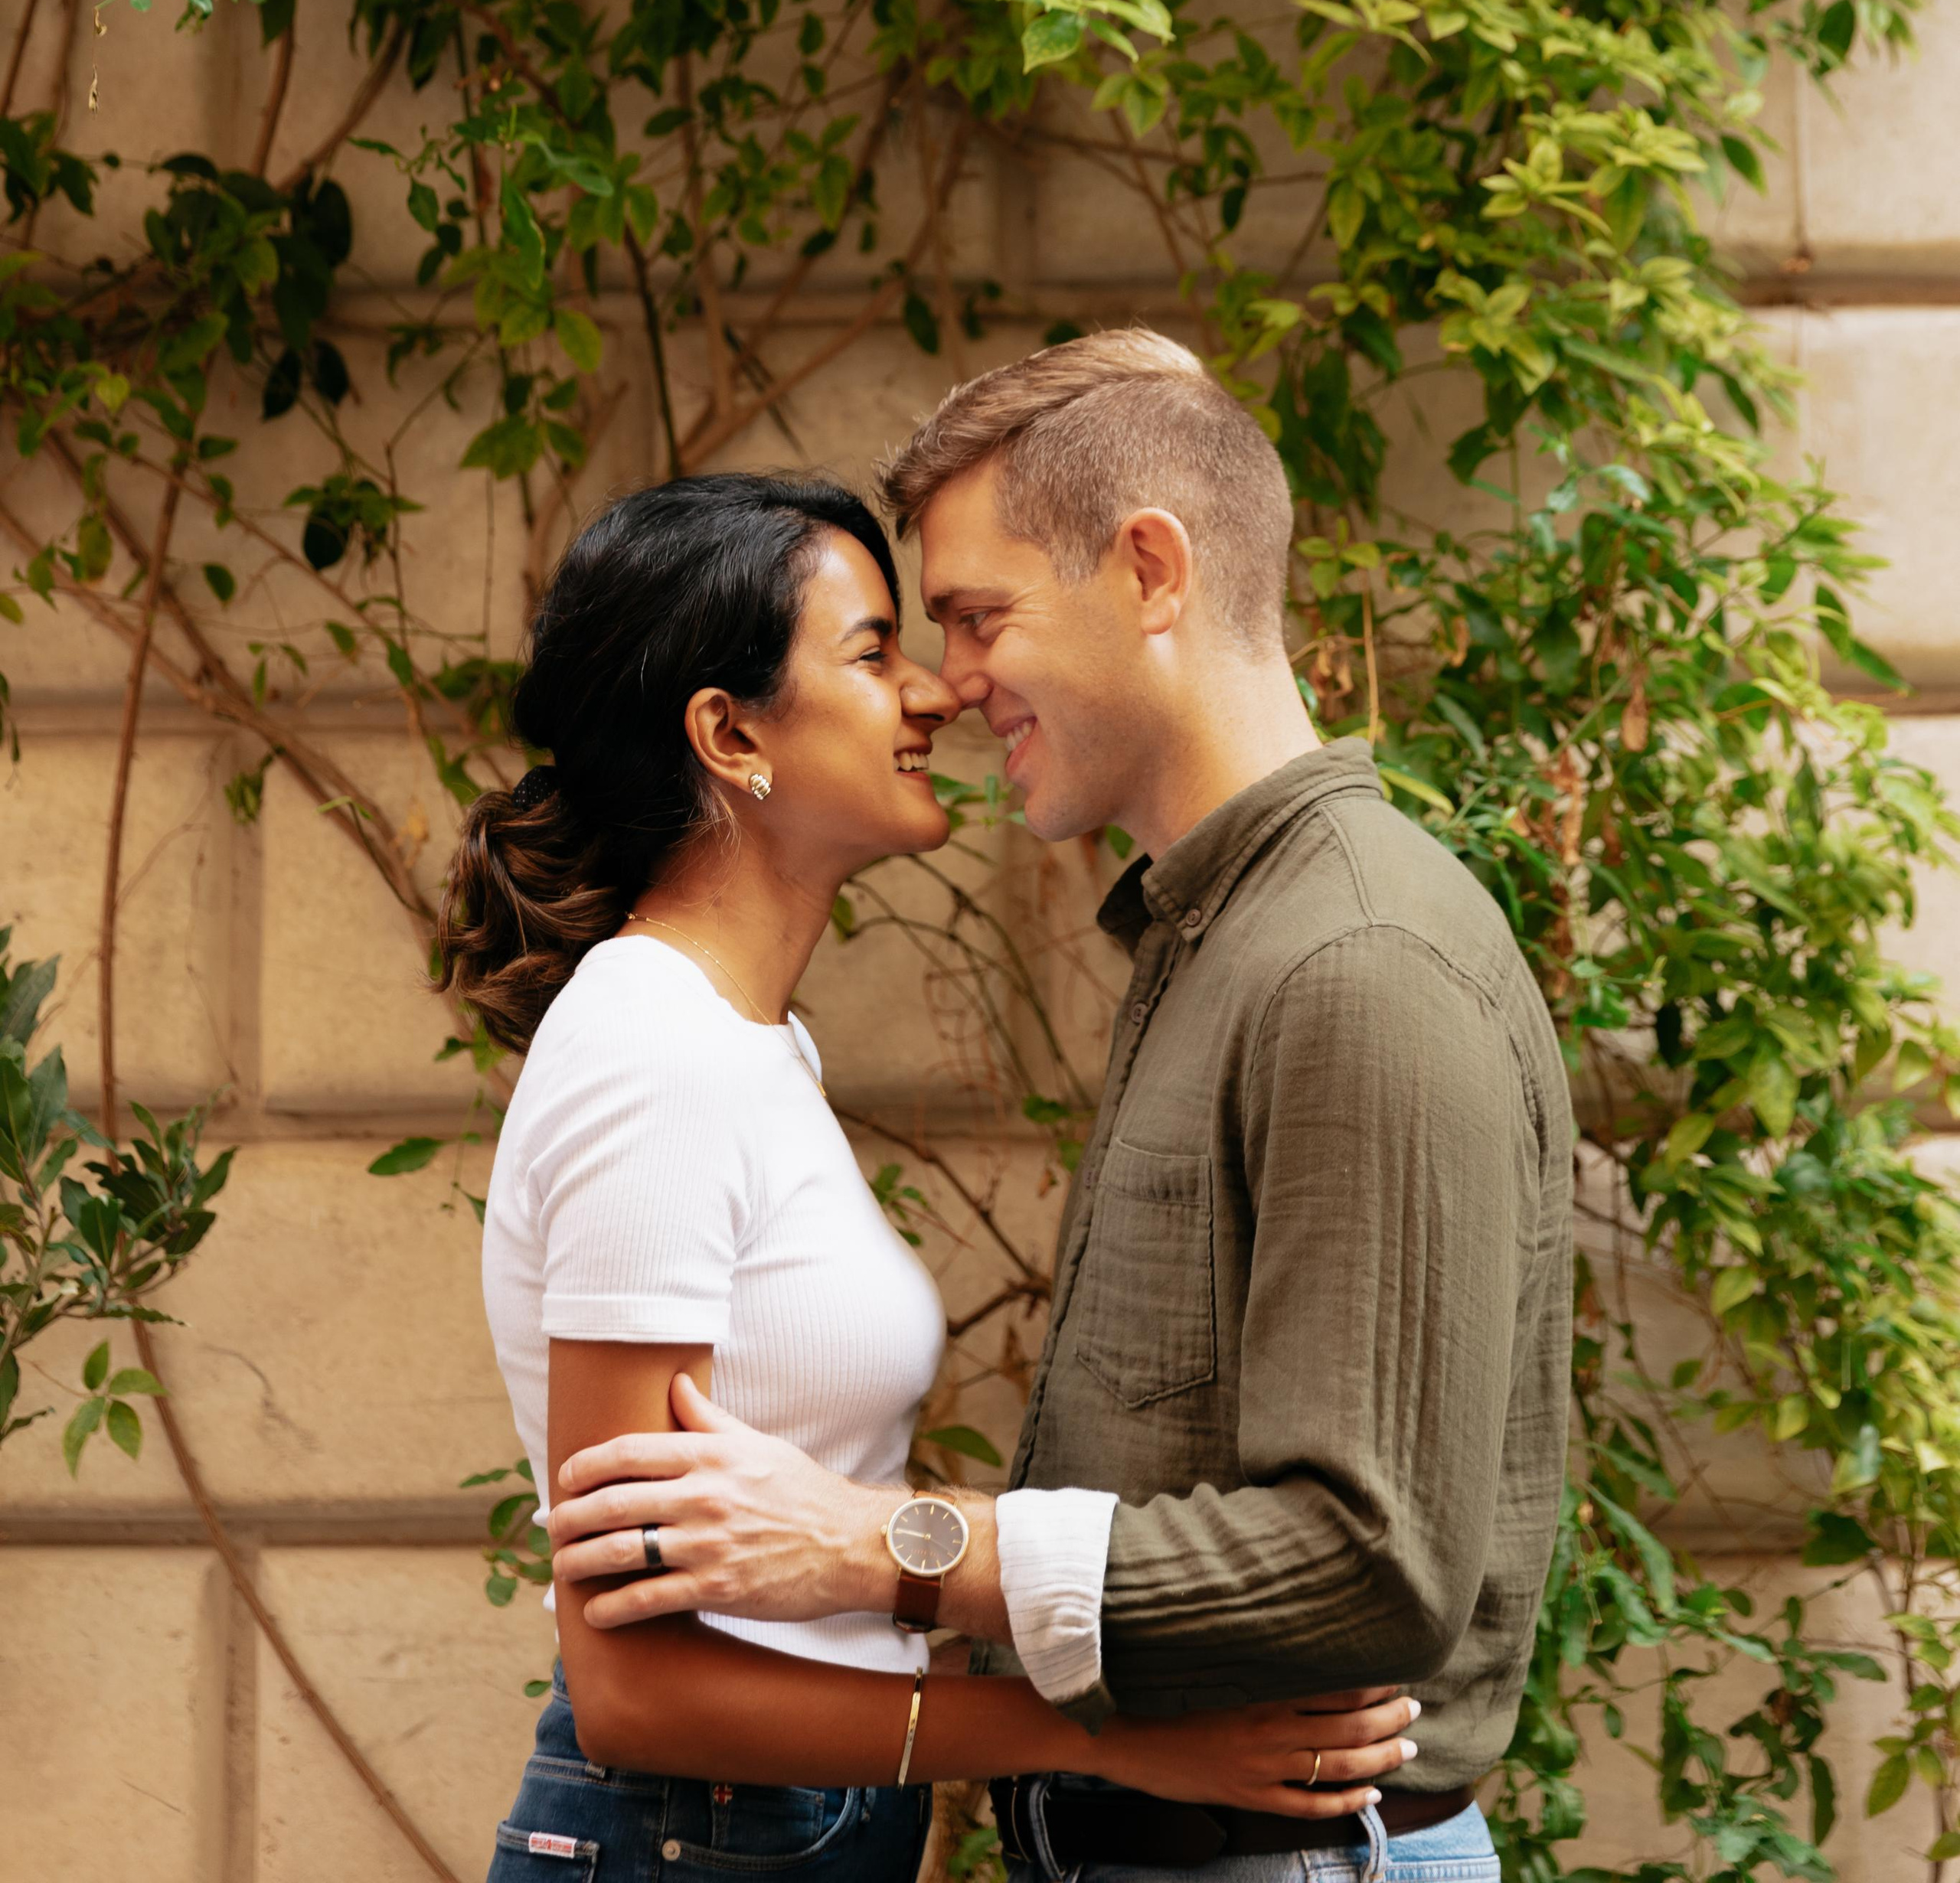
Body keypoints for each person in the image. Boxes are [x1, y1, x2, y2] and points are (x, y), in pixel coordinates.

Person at [547, 335, 1575, 1883]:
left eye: (973, 618)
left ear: (1148, 570)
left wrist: (885, 1550)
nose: (949, 685)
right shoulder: (1215, 932)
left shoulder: (1349, 959)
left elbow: (1374, 1562)